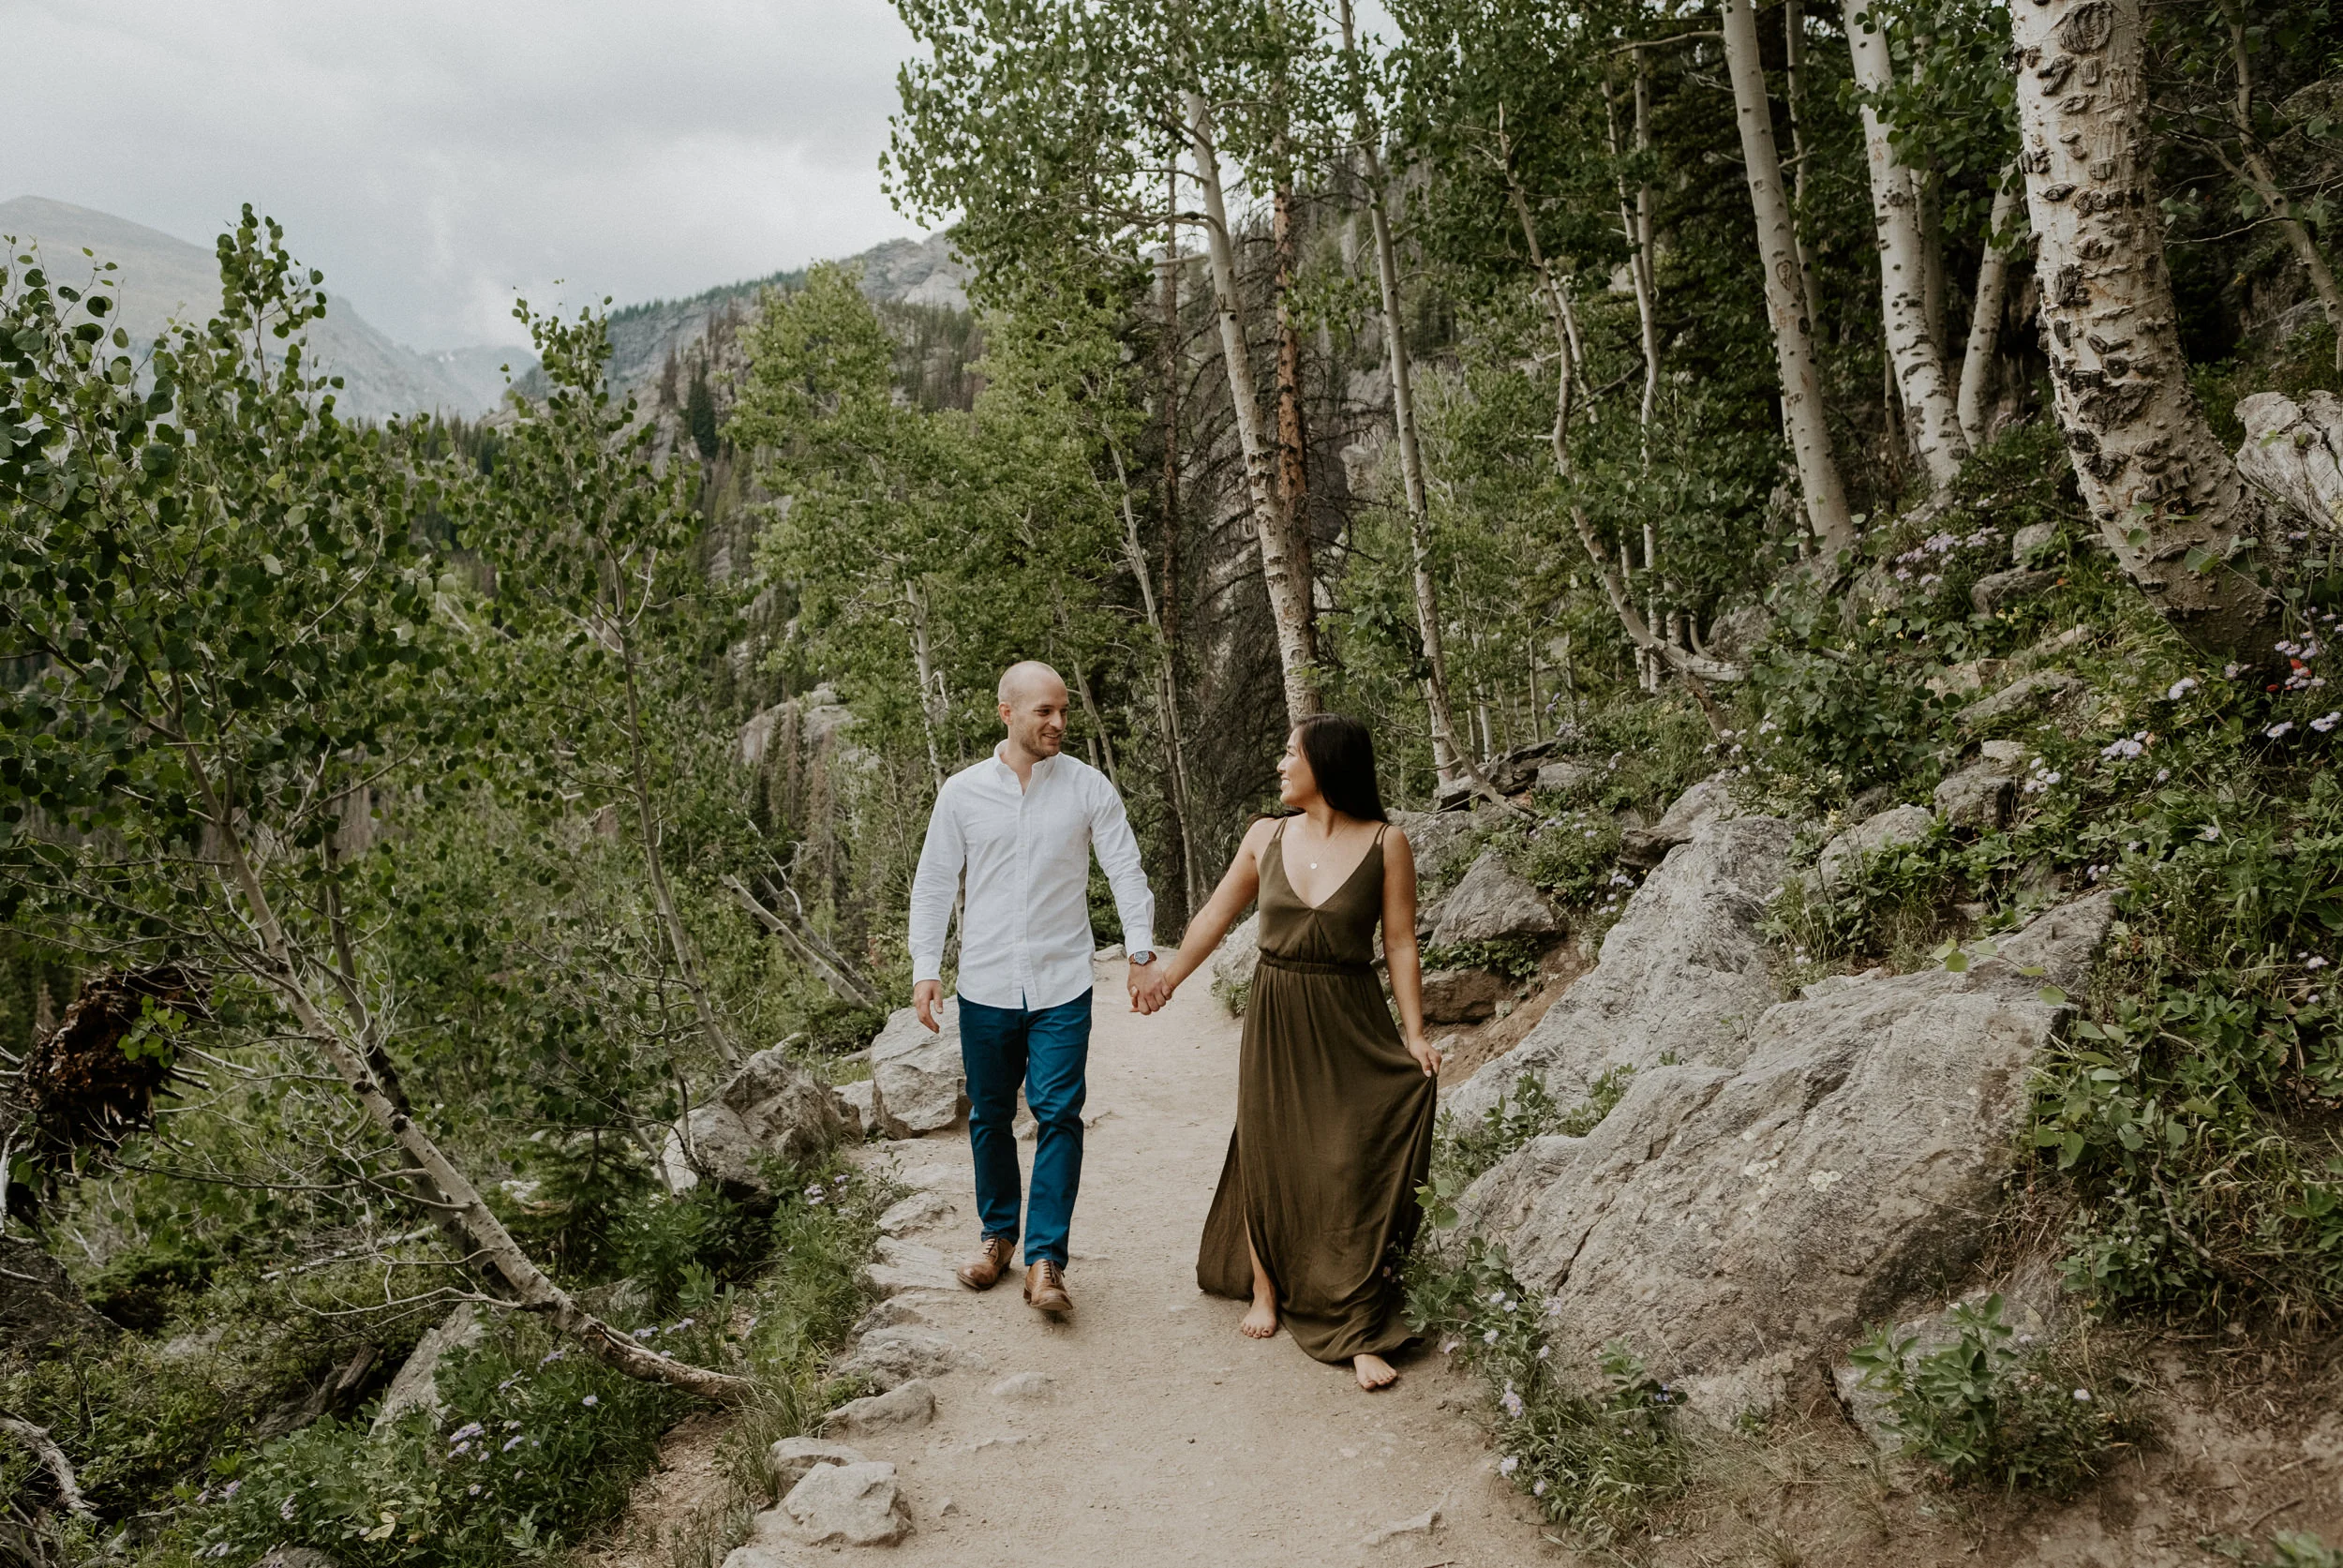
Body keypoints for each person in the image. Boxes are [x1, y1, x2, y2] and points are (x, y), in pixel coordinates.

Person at [1133, 713, 1440, 1390]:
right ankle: (1266, 1288)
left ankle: (1356, 1320)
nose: (1279, 764)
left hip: (1348, 1013)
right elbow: (1215, 915)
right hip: (1277, 1007)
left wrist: (1415, 1032)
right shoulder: (1264, 836)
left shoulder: (1388, 843)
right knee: (1266, 1142)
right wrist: (1168, 979)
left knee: (1350, 1155)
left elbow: (1399, 943)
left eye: (1289, 753)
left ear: (1325, 764)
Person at [908, 661, 1157, 1318]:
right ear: (1007, 712)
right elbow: (935, 881)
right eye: (1045, 711)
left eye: (1064, 711)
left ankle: (1046, 1260)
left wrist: (1139, 951)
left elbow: (1127, 871)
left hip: (1062, 982)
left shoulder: (1087, 788)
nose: (1058, 723)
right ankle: (997, 1238)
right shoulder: (961, 793)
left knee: (1059, 1114)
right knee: (990, 1115)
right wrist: (925, 967)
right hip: (986, 982)